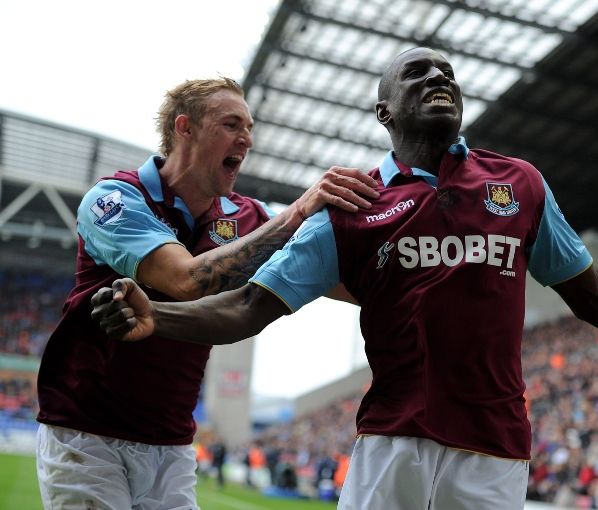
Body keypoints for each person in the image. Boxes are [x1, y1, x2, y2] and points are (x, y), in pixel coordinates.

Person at [91, 49, 598, 510]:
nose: (439, 80)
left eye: (448, 74)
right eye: (418, 74)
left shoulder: (520, 185)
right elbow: (247, 307)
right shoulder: (351, 208)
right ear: (384, 111)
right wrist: (160, 318)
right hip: (391, 445)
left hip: (494, 449)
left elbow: (594, 295)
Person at [35, 77, 379, 510]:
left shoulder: (249, 217)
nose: (247, 139)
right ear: (186, 128)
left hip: (171, 443)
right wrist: (296, 214)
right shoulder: (115, 199)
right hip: (87, 434)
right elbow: (186, 280)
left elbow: (343, 282)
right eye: (231, 124)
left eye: (249, 128)